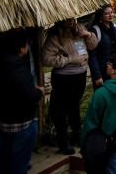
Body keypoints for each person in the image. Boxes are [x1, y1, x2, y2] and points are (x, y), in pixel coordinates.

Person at [42, 19, 96, 154]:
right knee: (60, 109)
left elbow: (93, 45)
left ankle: (77, 136)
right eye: (68, 21)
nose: (72, 22)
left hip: (80, 76)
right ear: (61, 21)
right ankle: (63, 141)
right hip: (63, 78)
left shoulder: (79, 29)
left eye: (73, 20)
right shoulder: (55, 37)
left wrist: (88, 35)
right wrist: (69, 60)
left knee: (74, 106)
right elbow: (46, 58)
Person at [0, 29, 44, 174]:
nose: (29, 47)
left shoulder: (3, 64)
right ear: (20, 48)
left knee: (6, 162)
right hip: (22, 124)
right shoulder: (18, 70)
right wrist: (39, 91)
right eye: (26, 44)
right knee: (19, 165)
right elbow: (29, 95)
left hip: (4, 123)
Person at [88, 5, 116, 87]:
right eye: (107, 13)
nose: (110, 15)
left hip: (115, 67)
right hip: (102, 69)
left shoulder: (114, 26)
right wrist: (97, 76)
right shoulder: (96, 30)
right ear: (100, 16)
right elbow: (92, 55)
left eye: (111, 12)